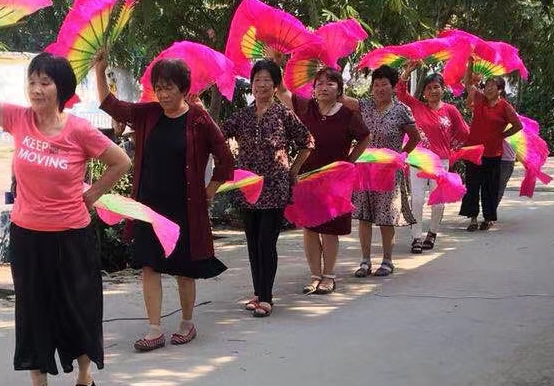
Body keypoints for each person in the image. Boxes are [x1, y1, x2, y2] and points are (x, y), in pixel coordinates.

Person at [0, 27, 131, 386]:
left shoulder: (78, 129)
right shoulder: (19, 119)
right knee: (32, 311)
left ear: (61, 88)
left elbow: (121, 161)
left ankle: (84, 379)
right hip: (28, 235)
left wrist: (91, 195)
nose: (36, 89)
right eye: (32, 81)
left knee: (77, 308)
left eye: (45, 82)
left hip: (71, 236)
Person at [93, 53, 234, 350]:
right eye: (159, 88)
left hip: (185, 208)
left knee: (184, 269)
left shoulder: (199, 119)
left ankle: (187, 322)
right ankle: (154, 329)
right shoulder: (148, 114)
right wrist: (100, 70)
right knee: (149, 265)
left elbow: (225, 158)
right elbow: (112, 105)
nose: (163, 94)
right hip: (149, 208)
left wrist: (210, 190)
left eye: (169, 87)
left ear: (183, 88)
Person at [222, 59, 313, 317]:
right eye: (257, 80)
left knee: (266, 242)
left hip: (274, 187)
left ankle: (266, 297)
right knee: (252, 242)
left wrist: (293, 171)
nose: (261, 85)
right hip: (247, 187)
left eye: (266, 80)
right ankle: (257, 292)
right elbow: (217, 135)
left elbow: (307, 141)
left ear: (275, 85)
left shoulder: (283, 114)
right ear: (251, 84)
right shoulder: (243, 115)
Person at [278, 67, 369, 294]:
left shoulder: (347, 115)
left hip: (335, 181)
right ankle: (314, 275)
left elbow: (365, 137)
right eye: (319, 84)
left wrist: (349, 161)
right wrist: (276, 63)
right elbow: (282, 91)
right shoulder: (306, 108)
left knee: (329, 229)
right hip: (307, 178)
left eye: (330, 83)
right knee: (310, 228)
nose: (324, 88)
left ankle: (328, 276)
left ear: (339, 89)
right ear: (314, 89)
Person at [351, 66, 421, 277]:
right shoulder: (365, 106)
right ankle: (365, 261)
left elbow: (415, 137)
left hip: (388, 171)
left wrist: (402, 155)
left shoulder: (401, 110)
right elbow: (342, 100)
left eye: (384, 84)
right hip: (364, 169)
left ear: (393, 87)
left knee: (386, 216)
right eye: (376, 85)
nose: (380, 89)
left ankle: (387, 260)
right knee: (364, 216)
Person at [397, 66, 470, 253]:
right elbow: (400, 93)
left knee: (438, 202)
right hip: (418, 160)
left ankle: (432, 233)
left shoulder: (450, 110)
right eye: (429, 88)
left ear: (442, 89)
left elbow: (464, 132)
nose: (432, 91)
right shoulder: (417, 107)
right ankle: (416, 237)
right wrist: (407, 72)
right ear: (424, 92)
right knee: (417, 200)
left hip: (440, 163)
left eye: (436, 87)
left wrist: (452, 147)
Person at [459, 66, 523, 231]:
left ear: (500, 89)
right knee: (472, 186)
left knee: (489, 187)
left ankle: (488, 218)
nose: (488, 88)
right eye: (487, 85)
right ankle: (472, 218)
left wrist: (502, 135)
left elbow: (518, 125)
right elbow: (467, 83)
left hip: (493, 153)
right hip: (473, 151)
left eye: (492, 86)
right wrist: (470, 63)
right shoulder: (480, 99)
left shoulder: (505, 107)